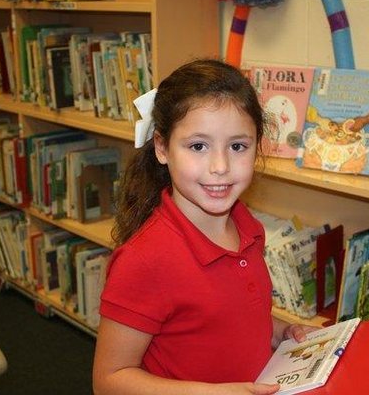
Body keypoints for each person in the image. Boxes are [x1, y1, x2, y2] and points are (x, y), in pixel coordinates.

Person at [93, 59, 318, 395]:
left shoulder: (248, 227)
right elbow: (109, 380)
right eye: (198, 146)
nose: (220, 167)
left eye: (238, 146)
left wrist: (279, 331)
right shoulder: (144, 261)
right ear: (161, 148)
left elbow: (228, 321)